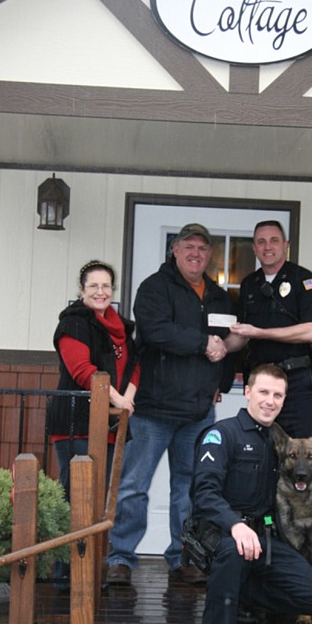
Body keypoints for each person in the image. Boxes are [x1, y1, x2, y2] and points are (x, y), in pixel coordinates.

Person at [106, 223, 232, 585]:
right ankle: (121, 558)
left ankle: (184, 556)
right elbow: (157, 331)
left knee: (190, 489)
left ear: (209, 255)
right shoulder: (154, 288)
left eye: (202, 248)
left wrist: (221, 382)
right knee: (133, 486)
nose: (196, 253)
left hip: (198, 414)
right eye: (188, 246)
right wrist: (202, 343)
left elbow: (225, 344)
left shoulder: (220, 297)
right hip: (153, 412)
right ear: (174, 250)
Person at [192, 363, 312, 624]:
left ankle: (239, 591)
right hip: (225, 535)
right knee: (231, 561)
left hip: (264, 538)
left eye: (278, 395)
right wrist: (234, 524)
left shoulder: (280, 443)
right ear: (247, 392)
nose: (270, 401)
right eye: (264, 392)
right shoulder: (222, 435)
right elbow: (204, 493)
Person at [49, 259, 139, 589]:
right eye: (93, 286)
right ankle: (64, 574)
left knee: (96, 500)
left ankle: (84, 570)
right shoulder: (73, 323)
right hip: (75, 422)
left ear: (112, 291)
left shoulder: (121, 328)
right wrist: (116, 398)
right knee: (75, 497)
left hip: (108, 425)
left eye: (106, 286)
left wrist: (127, 397)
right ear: (82, 290)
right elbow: (82, 371)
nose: (100, 292)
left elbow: (135, 366)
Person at [226, 220, 312, 438]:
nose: (268, 247)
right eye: (261, 242)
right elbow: (241, 336)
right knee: (259, 447)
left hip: (298, 382)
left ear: (285, 245)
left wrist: (261, 333)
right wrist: (216, 346)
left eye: (274, 241)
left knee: (301, 452)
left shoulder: (304, 279)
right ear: (254, 248)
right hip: (261, 382)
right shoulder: (249, 284)